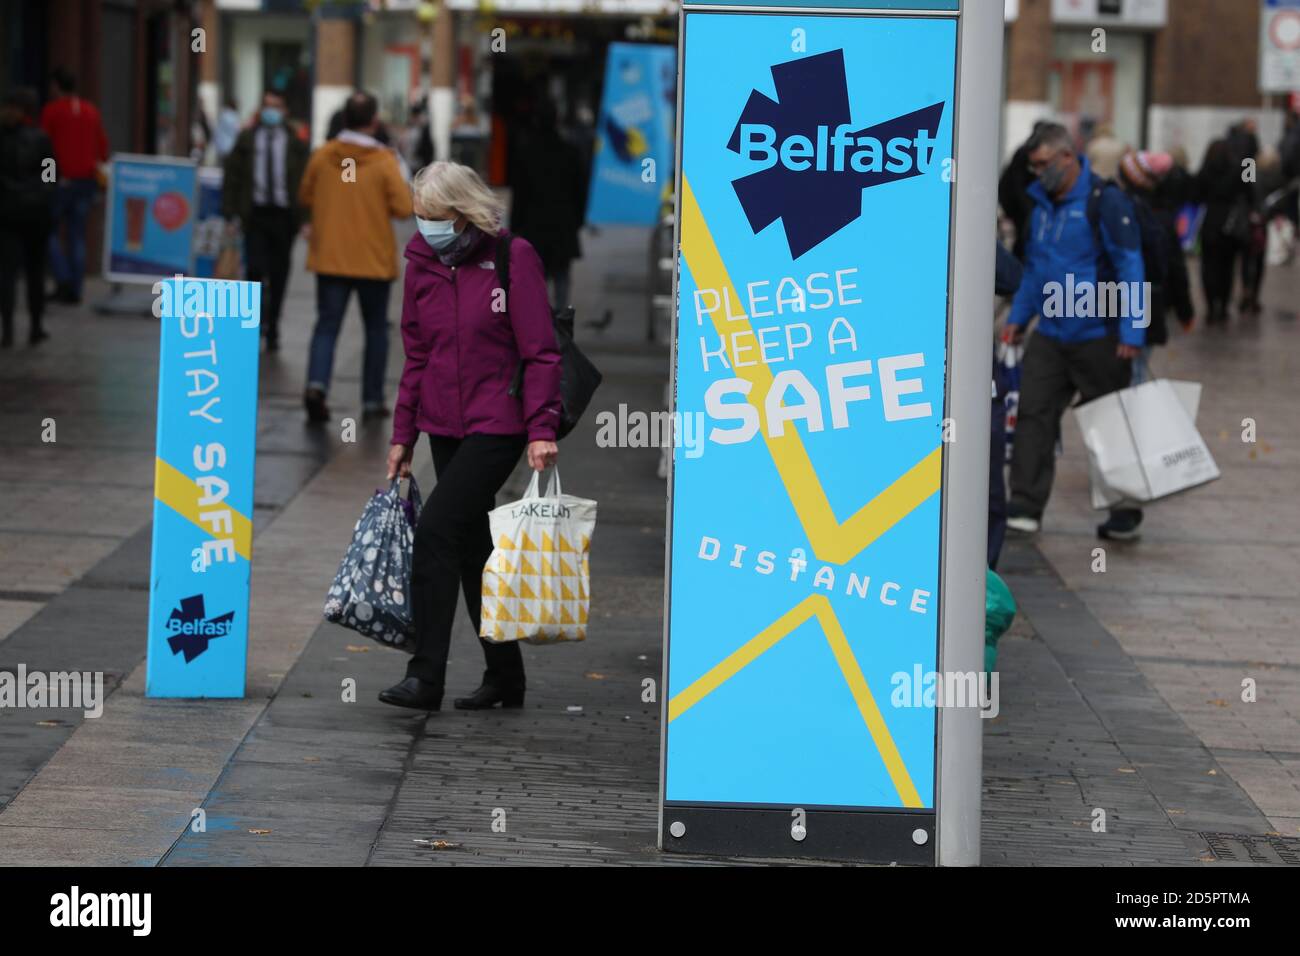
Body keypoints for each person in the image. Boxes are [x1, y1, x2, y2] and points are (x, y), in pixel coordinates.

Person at [379, 161, 561, 711]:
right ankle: (506, 676)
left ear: (461, 214)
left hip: (498, 423)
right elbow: (417, 355)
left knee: (436, 531)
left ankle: (425, 676)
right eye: (419, 215)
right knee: (473, 548)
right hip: (443, 421)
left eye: (434, 216)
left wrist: (542, 428)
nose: (424, 226)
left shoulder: (511, 257)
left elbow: (540, 349)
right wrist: (402, 434)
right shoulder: (420, 264)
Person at [1002, 123, 1146, 542]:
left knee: (1108, 420)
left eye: (1044, 163)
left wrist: (1133, 333)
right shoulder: (1041, 206)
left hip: (1098, 332)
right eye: (1033, 165)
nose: (1037, 172)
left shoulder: (1105, 200)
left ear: (1067, 157)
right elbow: (1035, 268)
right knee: (1034, 414)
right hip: (1050, 331)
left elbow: (1131, 266)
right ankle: (1025, 505)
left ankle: (1123, 509)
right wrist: (1019, 316)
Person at [298, 91, 413, 422]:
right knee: (376, 330)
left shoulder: (322, 156)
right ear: (374, 122)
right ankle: (372, 400)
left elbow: (305, 193)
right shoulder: (384, 161)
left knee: (326, 326)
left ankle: (317, 384)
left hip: (331, 258)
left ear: (344, 119)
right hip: (373, 260)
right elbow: (404, 208)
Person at [221, 89, 309, 353]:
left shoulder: (295, 143)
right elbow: (232, 176)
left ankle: (274, 326)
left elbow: (305, 183)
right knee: (255, 270)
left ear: (285, 111)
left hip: (284, 216)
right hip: (255, 214)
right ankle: (255, 323)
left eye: (276, 106)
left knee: (280, 273)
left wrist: (305, 219)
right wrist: (230, 213)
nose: (271, 111)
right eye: (267, 106)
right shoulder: (247, 139)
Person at [507, 99, 586, 308]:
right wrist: (577, 221)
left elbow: (519, 196)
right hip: (563, 227)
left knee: (535, 280)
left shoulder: (526, 153)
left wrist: (514, 229)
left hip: (533, 228)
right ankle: (561, 329)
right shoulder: (570, 153)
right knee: (561, 279)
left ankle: (537, 329)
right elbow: (581, 192)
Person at [40, 67, 108, 305]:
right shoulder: (91, 111)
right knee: (77, 235)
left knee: (46, 229)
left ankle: (63, 278)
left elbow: (44, 149)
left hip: (62, 181)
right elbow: (102, 147)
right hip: (86, 180)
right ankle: (75, 287)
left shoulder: (52, 111)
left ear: (57, 86)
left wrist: (47, 180)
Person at [1116, 149, 1190, 347]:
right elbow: (1175, 266)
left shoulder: (1120, 211)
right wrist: (1185, 311)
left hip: (1126, 302)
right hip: (1151, 301)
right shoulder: (1161, 217)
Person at [0, 88, 55, 348]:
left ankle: (12, 328)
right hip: (32, 215)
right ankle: (31, 326)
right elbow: (50, 177)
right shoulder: (42, 139)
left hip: (13, 214)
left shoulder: (37, 139)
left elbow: (50, 174)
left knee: (11, 273)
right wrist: (38, 194)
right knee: (30, 273)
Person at [1193, 138, 1252, 326]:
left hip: (1210, 222)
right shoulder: (1238, 171)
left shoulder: (1204, 172)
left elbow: (1195, 197)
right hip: (1231, 224)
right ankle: (1223, 306)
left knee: (1208, 266)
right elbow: (1248, 191)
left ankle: (1211, 306)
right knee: (1227, 268)